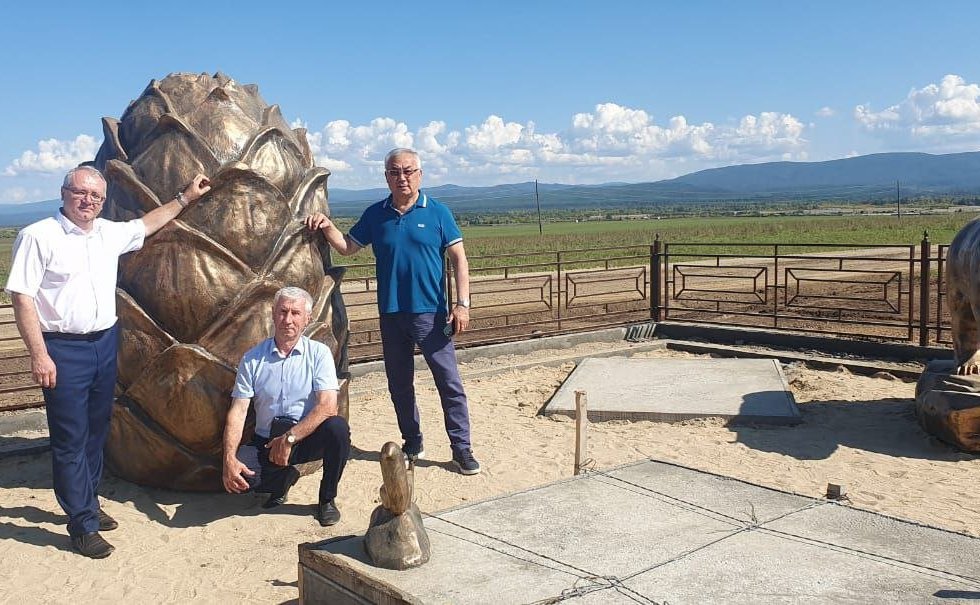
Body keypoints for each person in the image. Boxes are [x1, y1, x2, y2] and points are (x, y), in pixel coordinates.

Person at [5, 166, 211, 559]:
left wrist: (185, 198)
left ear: (103, 201)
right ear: (64, 192)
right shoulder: (38, 236)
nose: (88, 201)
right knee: (70, 438)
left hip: (104, 343)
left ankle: (88, 501)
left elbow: (146, 225)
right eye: (80, 193)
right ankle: (82, 524)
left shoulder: (107, 233)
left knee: (96, 433)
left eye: (96, 196)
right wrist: (39, 354)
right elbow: (22, 297)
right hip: (62, 348)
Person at [304, 147, 480, 475]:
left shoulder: (438, 212)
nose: (402, 177)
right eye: (395, 172)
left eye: (408, 171)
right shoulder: (376, 214)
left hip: (431, 315)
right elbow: (348, 247)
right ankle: (412, 441)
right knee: (399, 384)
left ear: (420, 175)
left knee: (449, 383)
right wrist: (327, 226)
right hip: (391, 313)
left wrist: (462, 304)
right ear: (386, 177)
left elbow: (460, 260)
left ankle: (461, 448)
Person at [221, 286, 350, 527]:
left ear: (307, 319)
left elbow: (327, 406)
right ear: (273, 314)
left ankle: (327, 499)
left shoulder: (319, 354)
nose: (288, 320)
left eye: (295, 313)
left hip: (305, 438)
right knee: (241, 482)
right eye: (282, 312)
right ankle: (282, 478)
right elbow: (238, 411)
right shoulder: (252, 359)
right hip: (266, 442)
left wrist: (289, 439)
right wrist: (229, 459)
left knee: (338, 429)